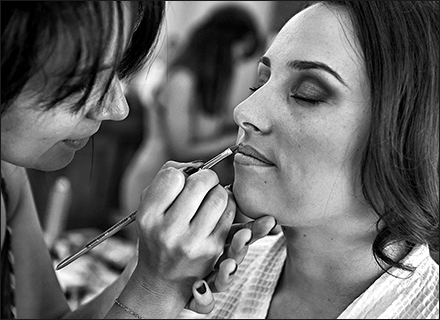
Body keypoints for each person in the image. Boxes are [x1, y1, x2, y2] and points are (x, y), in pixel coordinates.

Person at [1, 2, 276, 319]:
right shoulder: (183, 81)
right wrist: (158, 287)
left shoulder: (9, 176)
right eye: (83, 81)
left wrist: (146, 268)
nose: (118, 109)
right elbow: (182, 143)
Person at [178, 1, 439, 319]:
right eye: (259, 84)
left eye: (307, 93)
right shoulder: (204, 282)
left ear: (407, 136)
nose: (244, 111)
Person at [120, 4, 266, 217]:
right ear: (221, 45)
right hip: (155, 179)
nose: (235, 63)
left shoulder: (205, 87)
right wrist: (235, 140)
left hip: (181, 186)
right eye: (237, 53)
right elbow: (182, 149)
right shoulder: (182, 81)